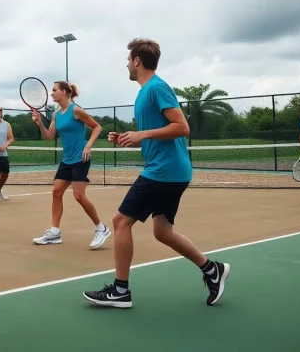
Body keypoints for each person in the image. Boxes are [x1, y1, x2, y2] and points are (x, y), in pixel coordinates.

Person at [83, 38, 230, 309]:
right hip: (170, 171)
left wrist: (143, 133)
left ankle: (120, 291)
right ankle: (212, 270)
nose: (126, 63)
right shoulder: (144, 93)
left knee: (120, 222)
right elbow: (158, 134)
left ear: (137, 61)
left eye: (128, 59)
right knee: (162, 232)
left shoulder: (156, 88)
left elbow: (182, 127)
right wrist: (131, 138)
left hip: (164, 171)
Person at [31, 81, 111, 249]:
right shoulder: (56, 115)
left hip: (80, 158)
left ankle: (101, 228)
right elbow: (49, 136)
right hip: (66, 159)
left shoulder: (76, 110)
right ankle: (54, 232)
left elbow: (97, 127)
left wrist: (88, 146)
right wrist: (39, 123)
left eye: (54, 90)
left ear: (65, 92)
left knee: (79, 196)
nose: (51, 93)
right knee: (56, 192)